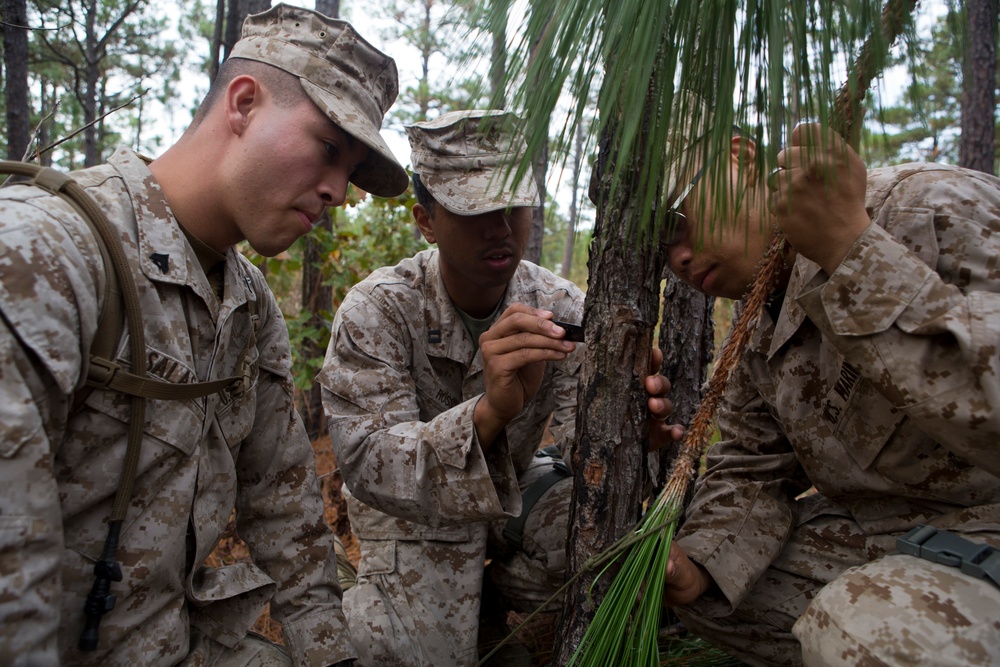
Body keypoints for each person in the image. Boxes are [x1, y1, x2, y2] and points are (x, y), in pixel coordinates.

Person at [0, 4, 409, 665]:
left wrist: (334, 658)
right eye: (330, 148)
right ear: (244, 102)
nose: (338, 190)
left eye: (352, 169)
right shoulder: (45, 255)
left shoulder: (247, 305)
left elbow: (287, 514)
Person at [318, 109, 680, 666]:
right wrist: (488, 412)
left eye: (514, 207)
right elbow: (370, 465)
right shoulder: (379, 310)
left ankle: (493, 595)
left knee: (604, 549)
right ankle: (390, 599)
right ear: (426, 219)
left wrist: (638, 437)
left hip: (518, 487)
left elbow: (591, 451)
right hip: (413, 512)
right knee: (404, 652)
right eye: (475, 211)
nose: (500, 227)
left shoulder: (561, 308)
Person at [659, 91, 1000, 665]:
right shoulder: (756, 325)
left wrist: (852, 252)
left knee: (854, 629)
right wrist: (698, 564)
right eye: (658, 250)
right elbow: (749, 462)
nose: (679, 259)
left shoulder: (926, 208)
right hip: (888, 538)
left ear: (741, 159)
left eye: (676, 221)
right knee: (719, 594)